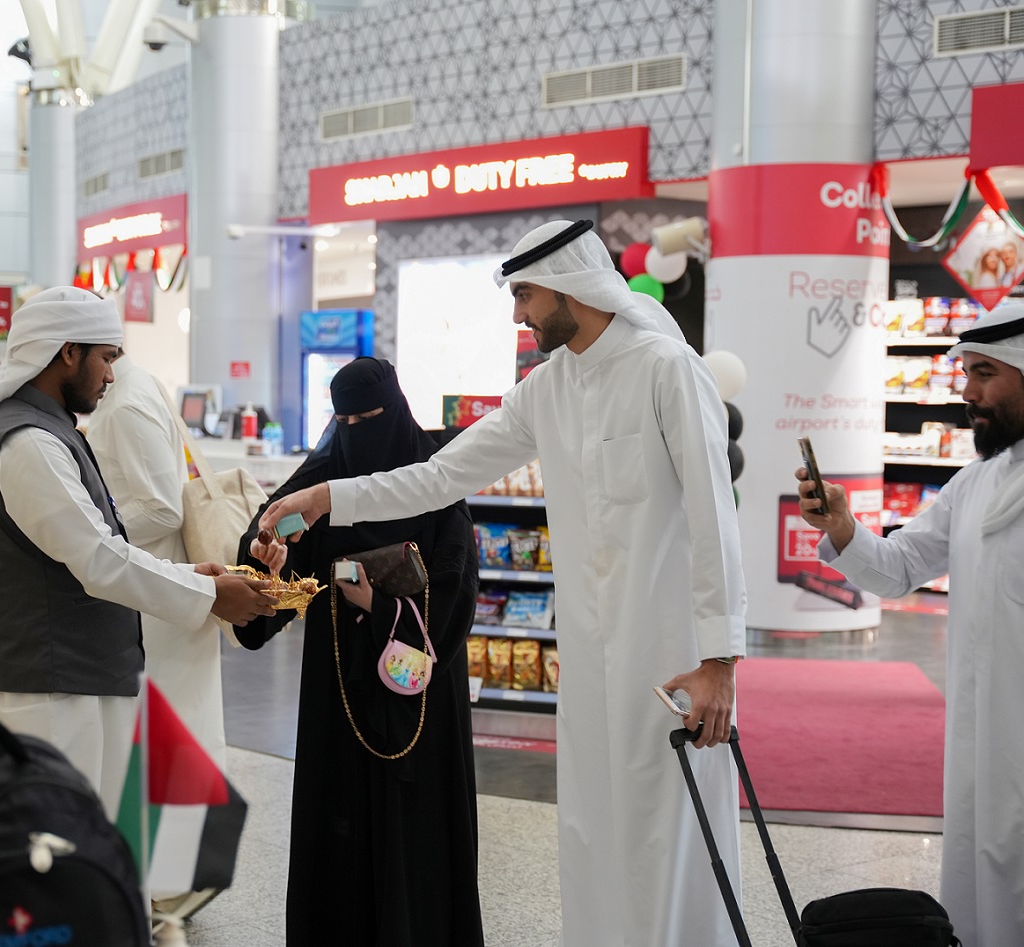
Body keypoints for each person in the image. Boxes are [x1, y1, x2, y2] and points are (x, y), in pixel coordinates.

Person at [258, 220, 747, 947]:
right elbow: (440, 473)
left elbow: (714, 518)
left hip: (666, 652)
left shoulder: (665, 369)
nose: (516, 313)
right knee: (589, 831)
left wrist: (719, 661)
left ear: (571, 283)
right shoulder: (546, 388)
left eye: (523, 293)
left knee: (665, 832)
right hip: (584, 657)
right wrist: (327, 497)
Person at [795, 299, 1024, 947]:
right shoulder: (976, 483)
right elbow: (897, 567)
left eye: (982, 374)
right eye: (965, 372)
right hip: (981, 755)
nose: (965, 391)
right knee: (982, 906)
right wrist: (840, 525)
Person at [0, 286, 279, 817]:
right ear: (66, 352)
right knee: (61, 862)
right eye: (105, 358)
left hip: (74, 678)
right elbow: (98, 559)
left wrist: (187, 573)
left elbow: (97, 543)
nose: (110, 375)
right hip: (52, 687)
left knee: (91, 860)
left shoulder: (49, 431)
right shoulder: (29, 442)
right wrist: (207, 593)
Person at [242, 358, 484, 947]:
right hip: (340, 688)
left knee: (416, 835)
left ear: (395, 411)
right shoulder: (319, 482)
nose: (355, 429)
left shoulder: (433, 480)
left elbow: (454, 596)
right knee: (341, 833)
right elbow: (270, 567)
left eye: (368, 417)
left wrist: (382, 610)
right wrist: (267, 566)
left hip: (417, 694)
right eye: (343, 418)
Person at [84, 356, 227, 768]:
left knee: (168, 737)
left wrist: (90, 533)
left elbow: (164, 509)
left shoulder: (126, 401)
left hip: (160, 594)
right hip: (157, 589)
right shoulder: (132, 387)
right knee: (166, 732)